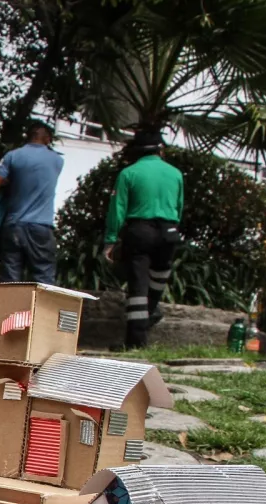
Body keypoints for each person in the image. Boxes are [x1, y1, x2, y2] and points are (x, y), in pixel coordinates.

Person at [102, 130, 184, 348]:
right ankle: (150, 313)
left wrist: (110, 240)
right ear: (161, 149)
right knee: (158, 280)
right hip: (169, 232)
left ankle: (136, 342)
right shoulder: (176, 174)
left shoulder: (129, 174)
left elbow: (117, 210)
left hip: (139, 231)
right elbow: (179, 206)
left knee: (138, 287)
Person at [0, 120, 64, 284]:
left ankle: (11, 309)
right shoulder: (57, 160)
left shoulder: (13, 156)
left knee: (11, 278)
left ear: (28, 137)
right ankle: (41, 309)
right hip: (41, 226)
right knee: (44, 276)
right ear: (47, 139)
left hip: (14, 225)